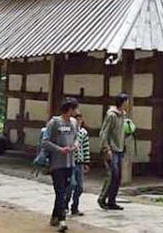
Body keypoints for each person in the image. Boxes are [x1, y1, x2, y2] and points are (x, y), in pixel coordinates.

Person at [43, 97, 80, 232]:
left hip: (70, 162)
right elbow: (45, 141)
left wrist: (75, 145)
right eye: (75, 108)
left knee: (65, 190)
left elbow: (77, 137)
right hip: (56, 163)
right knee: (60, 191)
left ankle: (54, 216)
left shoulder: (74, 122)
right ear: (69, 109)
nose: (77, 111)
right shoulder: (54, 122)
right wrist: (60, 149)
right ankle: (62, 220)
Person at [98, 92, 129, 210]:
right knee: (112, 175)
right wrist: (106, 148)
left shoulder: (123, 115)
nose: (128, 104)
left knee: (118, 176)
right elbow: (104, 132)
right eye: (127, 101)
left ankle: (112, 201)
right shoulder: (111, 115)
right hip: (112, 149)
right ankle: (102, 198)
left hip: (120, 148)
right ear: (122, 102)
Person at [66, 111, 90, 217]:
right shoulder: (70, 131)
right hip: (70, 162)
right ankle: (65, 204)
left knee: (79, 187)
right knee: (71, 184)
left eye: (80, 118)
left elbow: (86, 148)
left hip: (80, 163)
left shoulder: (83, 132)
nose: (79, 120)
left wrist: (86, 162)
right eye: (77, 118)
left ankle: (75, 206)